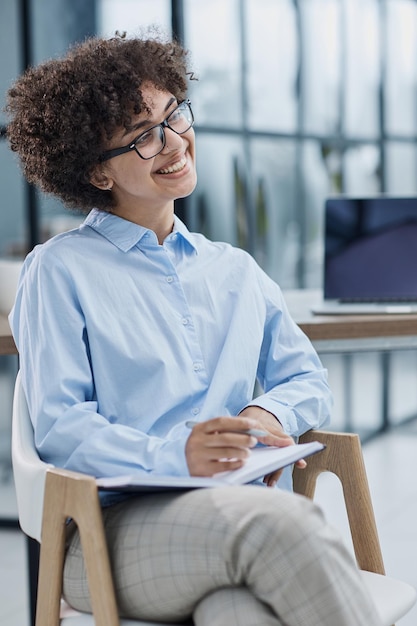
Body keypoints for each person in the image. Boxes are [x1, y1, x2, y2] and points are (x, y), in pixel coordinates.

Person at [6, 33, 381, 625]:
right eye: (143, 136)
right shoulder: (58, 270)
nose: (175, 143)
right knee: (283, 525)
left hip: (228, 517)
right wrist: (175, 455)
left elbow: (307, 377)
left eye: (174, 115)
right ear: (99, 173)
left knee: (238, 612)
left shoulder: (234, 269)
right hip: (115, 530)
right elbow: (60, 427)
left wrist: (266, 417)